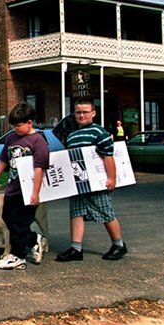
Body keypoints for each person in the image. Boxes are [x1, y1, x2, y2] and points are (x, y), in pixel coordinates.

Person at [56, 99, 127, 262]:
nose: (81, 115)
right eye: (78, 112)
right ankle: (76, 248)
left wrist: (112, 178)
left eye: (85, 112)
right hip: (80, 182)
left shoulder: (98, 132)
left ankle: (119, 245)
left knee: (105, 212)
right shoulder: (72, 135)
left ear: (93, 113)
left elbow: (108, 155)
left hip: (97, 182)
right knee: (76, 212)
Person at [0, 102, 49, 270]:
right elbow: (5, 158)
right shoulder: (12, 138)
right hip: (12, 188)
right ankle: (35, 240)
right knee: (9, 220)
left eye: (19, 125)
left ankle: (18, 257)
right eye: (13, 125)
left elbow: (39, 169)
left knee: (20, 223)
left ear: (29, 122)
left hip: (27, 191)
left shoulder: (38, 142)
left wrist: (35, 193)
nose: (16, 129)